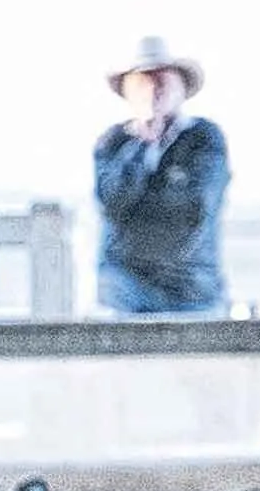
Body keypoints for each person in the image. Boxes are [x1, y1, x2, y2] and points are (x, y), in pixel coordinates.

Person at [94, 36, 230, 315]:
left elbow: (194, 210)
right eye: (142, 81)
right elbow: (111, 202)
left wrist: (139, 215)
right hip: (124, 288)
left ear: (182, 86)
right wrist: (141, 146)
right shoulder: (112, 143)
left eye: (162, 79)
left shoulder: (204, 139)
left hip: (192, 290)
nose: (153, 89)